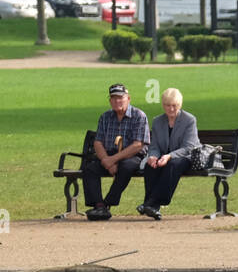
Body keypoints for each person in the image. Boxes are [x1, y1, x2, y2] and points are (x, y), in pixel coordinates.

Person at [82, 83, 150, 221]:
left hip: (132, 155)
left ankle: (108, 203)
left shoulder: (139, 116)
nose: (117, 101)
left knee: (126, 167)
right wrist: (106, 160)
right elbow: (98, 142)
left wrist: (113, 160)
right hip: (109, 155)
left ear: (128, 99)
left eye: (120, 98)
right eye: (113, 98)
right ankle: (99, 205)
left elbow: (137, 145)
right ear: (110, 100)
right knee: (90, 169)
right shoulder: (105, 117)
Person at [137, 87, 199, 220]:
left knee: (172, 165)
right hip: (163, 158)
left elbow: (189, 147)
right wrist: (153, 156)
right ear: (163, 105)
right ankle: (152, 206)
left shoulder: (189, 120)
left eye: (174, 105)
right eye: (167, 105)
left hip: (185, 158)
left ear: (180, 105)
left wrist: (169, 156)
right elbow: (154, 145)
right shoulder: (157, 121)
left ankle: (150, 203)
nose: (171, 109)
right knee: (151, 165)